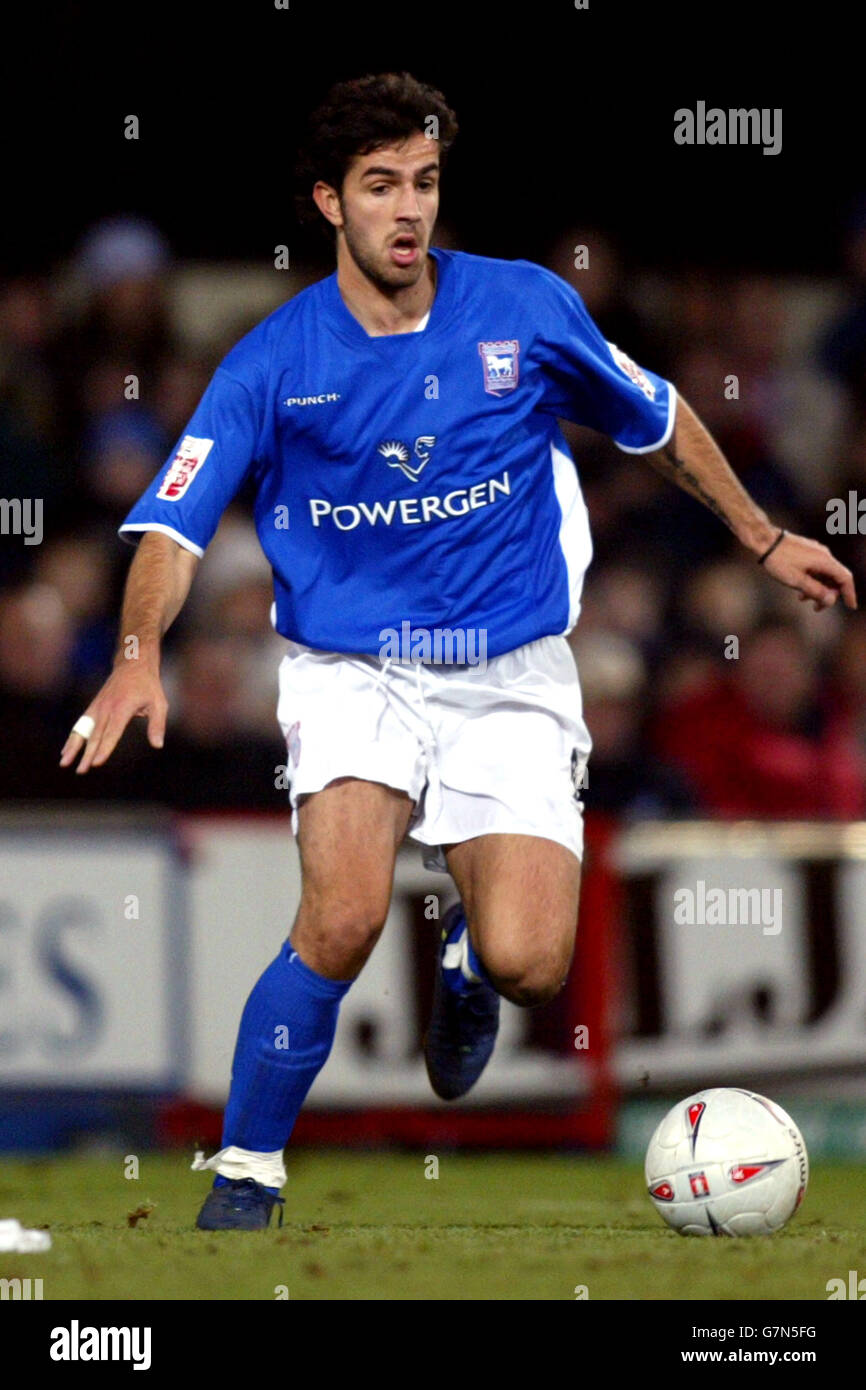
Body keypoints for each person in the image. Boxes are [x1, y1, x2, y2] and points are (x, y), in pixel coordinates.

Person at [59, 72, 857, 1230]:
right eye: (380, 186)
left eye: (424, 183)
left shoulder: (523, 310)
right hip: (351, 669)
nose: (408, 210)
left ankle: (468, 970)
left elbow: (658, 414)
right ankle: (244, 1178)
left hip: (509, 666)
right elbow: (172, 526)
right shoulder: (270, 363)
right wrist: (138, 653)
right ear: (327, 202)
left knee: (534, 962)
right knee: (337, 917)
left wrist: (762, 533)